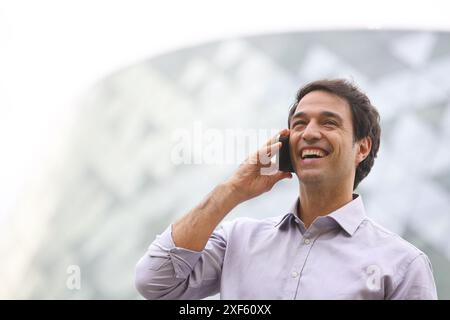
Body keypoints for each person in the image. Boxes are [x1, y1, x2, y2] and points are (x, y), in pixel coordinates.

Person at [135, 79, 437, 300]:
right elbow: (154, 282)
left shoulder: (402, 265)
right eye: (300, 123)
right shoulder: (237, 240)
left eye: (329, 123)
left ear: (362, 147)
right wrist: (234, 189)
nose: (310, 133)